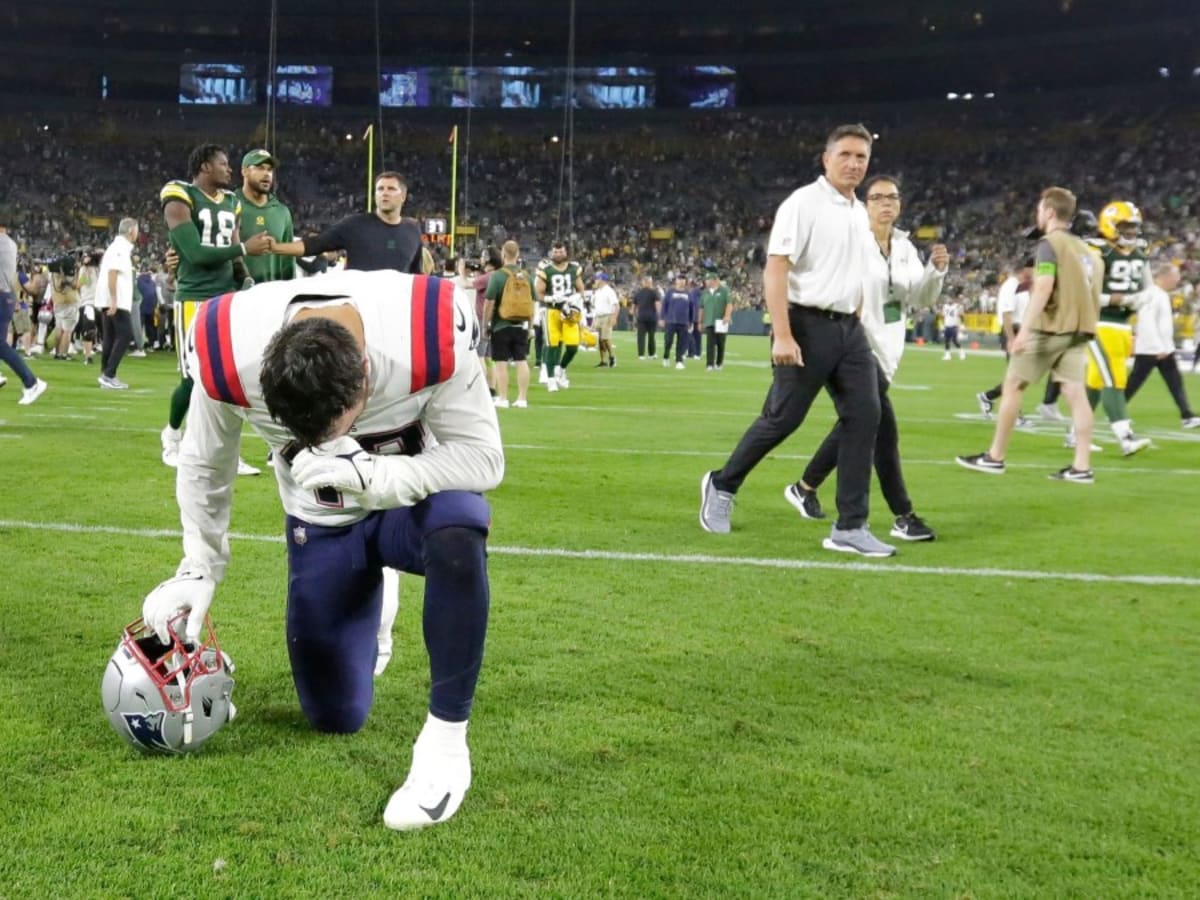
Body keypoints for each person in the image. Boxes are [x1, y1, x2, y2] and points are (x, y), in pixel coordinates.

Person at [139, 268, 504, 831]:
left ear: (366, 378)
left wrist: (373, 473)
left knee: (460, 525)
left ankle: (447, 741)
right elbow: (204, 462)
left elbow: (483, 459)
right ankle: (370, 603)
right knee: (335, 715)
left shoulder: (426, 327)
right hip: (323, 523)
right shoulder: (224, 344)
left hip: (410, 511)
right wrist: (200, 564)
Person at [699, 123, 891, 557]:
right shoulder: (802, 203)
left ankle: (851, 526)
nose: (854, 163)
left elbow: (853, 267)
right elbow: (777, 267)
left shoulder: (859, 212)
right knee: (783, 418)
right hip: (805, 325)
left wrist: (856, 307)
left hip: (848, 329)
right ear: (826, 159)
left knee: (866, 414)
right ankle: (722, 483)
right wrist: (782, 334)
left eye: (861, 156)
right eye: (845, 154)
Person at [790, 175, 947, 542]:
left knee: (857, 424)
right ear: (866, 203)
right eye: (877, 197)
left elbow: (920, 299)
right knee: (882, 433)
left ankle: (805, 487)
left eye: (892, 197)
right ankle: (903, 515)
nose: (886, 203)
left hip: (889, 349)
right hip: (855, 347)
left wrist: (936, 272)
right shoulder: (852, 239)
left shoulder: (906, 247)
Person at [957, 187, 1100, 482]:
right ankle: (1081, 466)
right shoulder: (1090, 252)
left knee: (1013, 386)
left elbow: (1045, 285)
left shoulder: (1049, 244)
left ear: (1049, 212)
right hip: (1080, 330)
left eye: (1039, 209)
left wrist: (1026, 330)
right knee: (1075, 394)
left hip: (1051, 327)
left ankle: (995, 456)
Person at [159, 143, 271, 471]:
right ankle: (172, 435)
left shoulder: (232, 202)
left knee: (227, 378)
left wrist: (246, 281)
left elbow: (234, 255)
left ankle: (224, 453)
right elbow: (194, 254)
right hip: (194, 297)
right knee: (192, 378)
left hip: (226, 299)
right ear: (206, 166)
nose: (229, 169)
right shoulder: (179, 194)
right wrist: (244, 247)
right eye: (223, 164)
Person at [1069, 201, 1153, 456]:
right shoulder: (1096, 250)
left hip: (1123, 326)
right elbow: (1079, 289)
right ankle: (1125, 437)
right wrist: (1112, 299)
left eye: (1133, 227)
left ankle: (1074, 433)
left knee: (1095, 382)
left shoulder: (1140, 252)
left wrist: (1140, 299)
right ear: (1110, 225)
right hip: (1096, 322)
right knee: (1113, 379)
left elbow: (1147, 287)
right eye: (1125, 227)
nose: (1130, 232)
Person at [269, 172, 422, 274]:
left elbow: (416, 274)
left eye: (391, 189)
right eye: (380, 189)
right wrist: (275, 247)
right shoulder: (355, 225)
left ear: (403, 196)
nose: (384, 193)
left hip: (394, 311)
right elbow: (315, 244)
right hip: (359, 309)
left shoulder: (412, 230)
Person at [1125, 261, 1199, 428]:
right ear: (1166, 277)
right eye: (1176, 276)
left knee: (1175, 382)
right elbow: (1148, 323)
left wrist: (1166, 347)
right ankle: (1116, 413)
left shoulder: (1161, 294)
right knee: (1134, 382)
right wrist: (1158, 347)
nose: (1178, 280)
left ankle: (1187, 415)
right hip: (1151, 350)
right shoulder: (1152, 294)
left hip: (1163, 349)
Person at [977, 258, 1033, 420]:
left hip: (1023, 331)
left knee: (1024, 376)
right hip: (1013, 330)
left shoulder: (1024, 286)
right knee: (1017, 375)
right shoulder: (1011, 285)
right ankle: (1015, 415)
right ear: (1026, 269)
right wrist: (1010, 338)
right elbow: (1007, 313)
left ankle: (988, 396)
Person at [0, 219, 48, 404]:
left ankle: (32, 382)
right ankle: (31, 383)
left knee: (1, 345)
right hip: (6, 297)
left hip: (1, 296)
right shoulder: (10, 243)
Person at [483, 239, 533, 408]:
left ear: (503, 254)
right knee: (521, 360)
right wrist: (531, 326)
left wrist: (485, 325)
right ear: (518, 255)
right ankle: (522, 398)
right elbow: (531, 303)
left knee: (501, 362)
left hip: (501, 324)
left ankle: (503, 398)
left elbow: (489, 302)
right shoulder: (526, 276)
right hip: (521, 325)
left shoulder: (497, 276)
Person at [238, 149, 296, 284]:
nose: (266, 174)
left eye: (270, 170)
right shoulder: (230, 205)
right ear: (244, 171)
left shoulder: (282, 212)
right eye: (260, 168)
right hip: (235, 297)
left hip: (272, 298)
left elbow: (288, 260)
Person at [535, 241, 586, 391]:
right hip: (552, 311)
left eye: (561, 251)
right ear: (552, 253)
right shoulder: (546, 269)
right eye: (556, 252)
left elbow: (581, 289)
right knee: (552, 345)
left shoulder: (573, 268)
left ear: (566, 252)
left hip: (569, 311)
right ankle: (551, 379)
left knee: (572, 347)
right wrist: (550, 298)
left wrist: (575, 298)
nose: (558, 254)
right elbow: (538, 293)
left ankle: (561, 369)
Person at [96, 218, 139, 390]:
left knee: (110, 337)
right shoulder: (120, 248)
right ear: (131, 231)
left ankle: (105, 374)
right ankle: (109, 374)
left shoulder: (116, 247)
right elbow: (112, 272)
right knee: (125, 335)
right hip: (116, 300)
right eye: (137, 229)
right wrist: (114, 299)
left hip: (110, 299)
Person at [699, 270, 732, 371]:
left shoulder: (724, 290)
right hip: (709, 321)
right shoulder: (705, 292)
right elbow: (701, 308)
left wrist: (727, 316)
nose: (706, 282)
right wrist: (700, 321)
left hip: (721, 321)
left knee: (721, 343)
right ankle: (709, 364)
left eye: (708, 279)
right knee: (710, 344)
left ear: (714, 280)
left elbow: (729, 304)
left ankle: (719, 363)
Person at [659, 273, 694, 369]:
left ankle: (679, 360)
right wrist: (662, 318)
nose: (681, 281)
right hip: (671, 321)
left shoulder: (688, 294)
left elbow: (691, 309)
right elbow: (664, 305)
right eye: (680, 279)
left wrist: (691, 322)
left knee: (681, 342)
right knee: (668, 341)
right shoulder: (670, 292)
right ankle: (666, 357)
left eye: (683, 279)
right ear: (676, 281)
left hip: (683, 322)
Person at [591, 271, 619, 368]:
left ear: (602, 280)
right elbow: (596, 306)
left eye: (597, 278)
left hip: (607, 316)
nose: (595, 280)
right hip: (599, 316)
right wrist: (594, 319)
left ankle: (612, 357)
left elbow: (616, 305)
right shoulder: (598, 291)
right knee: (600, 340)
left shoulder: (609, 291)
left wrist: (614, 317)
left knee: (605, 338)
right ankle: (603, 361)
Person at [631, 275, 660, 359]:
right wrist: (660, 316)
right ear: (650, 282)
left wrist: (634, 316)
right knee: (651, 336)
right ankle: (651, 354)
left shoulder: (638, 293)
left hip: (641, 317)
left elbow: (633, 307)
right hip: (652, 317)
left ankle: (641, 355)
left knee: (641, 337)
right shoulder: (654, 292)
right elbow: (658, 305)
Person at [941, 296, 965, 360]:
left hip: (954, 325)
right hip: (947, 325)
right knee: (946, 340)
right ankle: (947, 355)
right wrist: (943, 325)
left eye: (950, 299)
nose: (949, 300)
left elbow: (961, 315)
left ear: (953, 299)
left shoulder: (957, 306)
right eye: (948, 299)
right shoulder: (945, 306)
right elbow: (943, 316)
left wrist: (962, 324)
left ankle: (961, 352)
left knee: (955, 341)